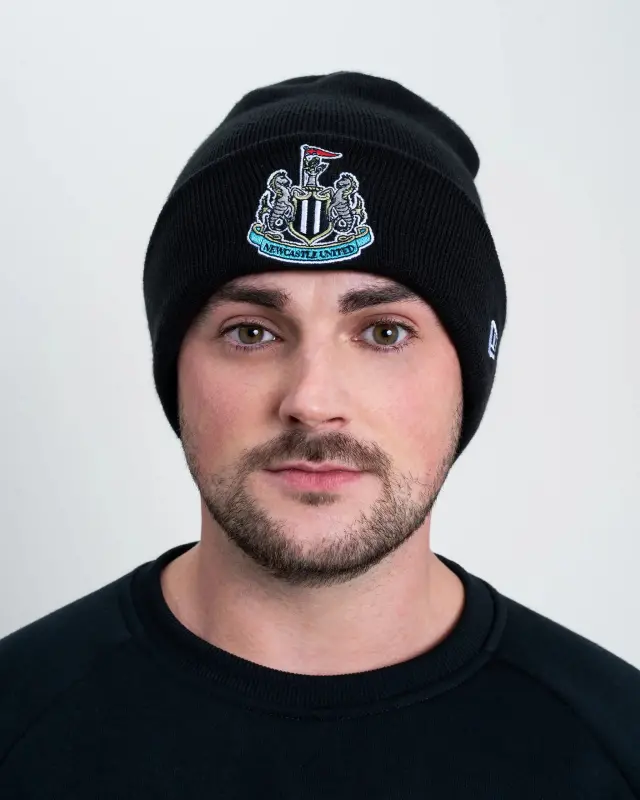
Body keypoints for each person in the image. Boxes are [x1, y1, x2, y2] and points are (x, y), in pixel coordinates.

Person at [0, 71, 638, 799]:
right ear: (175, 369)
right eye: (251, 332)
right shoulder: (19, 726)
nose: (311, 401)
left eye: (384, 332)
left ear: (468, 374)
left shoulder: (615, 749)